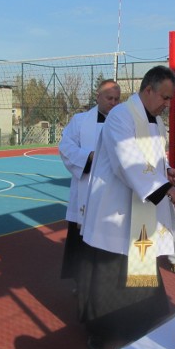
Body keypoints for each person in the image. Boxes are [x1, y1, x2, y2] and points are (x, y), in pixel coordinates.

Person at [77, 65, 175, 349]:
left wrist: (167, 172)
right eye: (164, 98)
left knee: (140, 264)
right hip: (114, 209)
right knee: (108, 273)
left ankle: (137, 325)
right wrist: (166, 189)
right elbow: (128, 161)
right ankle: (99, 331)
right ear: (148, 89)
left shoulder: (157, 122)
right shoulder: (120, 116)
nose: (167, 105)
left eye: (170, 100)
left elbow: (152, 159)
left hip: (141, 208)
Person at [58, 80, 121, 289]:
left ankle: (106, 282)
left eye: (116, 99)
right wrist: (89, 157)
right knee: (81, 241)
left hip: (112, 192)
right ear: (98, 96)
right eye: (109, 98)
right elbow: (65, 148)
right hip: (85, 192)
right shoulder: (80, 121)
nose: (113, 102)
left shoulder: (124, 122)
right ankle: (81, 282)